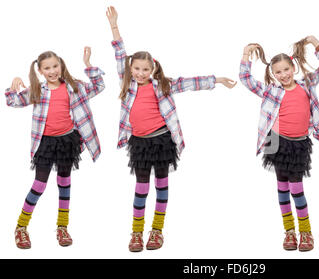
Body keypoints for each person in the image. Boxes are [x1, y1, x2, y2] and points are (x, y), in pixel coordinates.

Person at [106, 6, 236, 252]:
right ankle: (136, 232)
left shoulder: (162, 85)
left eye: (146, 69)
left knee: (162, 184)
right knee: (141, 185)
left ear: (153, 69)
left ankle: (156, 231)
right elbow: (119, 52)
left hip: (162, 140)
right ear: (130, 69)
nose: (141, 73)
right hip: (140, 142)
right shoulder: (127, 82)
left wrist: (216, 80)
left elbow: (189, 83)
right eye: (137, 69)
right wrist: (114, 26)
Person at [239, 36, 319, 251]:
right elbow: (245, 78)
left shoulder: (307, 84)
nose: (283, 75)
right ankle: (289, 231)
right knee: (282, 186)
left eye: (286, 69)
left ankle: (306, 232)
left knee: (296, 187)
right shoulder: (271, 90)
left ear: (294, 67)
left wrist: (315, 42)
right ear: (273, 75)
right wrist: (246, 54)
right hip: (275, 141)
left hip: (298, 143)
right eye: (278, 72)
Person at [6, 47, 105, 249]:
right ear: (40, 71)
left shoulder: (73, 86)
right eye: (47, 68)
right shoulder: (37, 90)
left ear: (61, 65)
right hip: (46, 143)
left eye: (55, 66)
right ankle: (21, 227)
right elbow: (12, 101)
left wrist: (88, 63)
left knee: (64, 182)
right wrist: (13, 85)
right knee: (39, 184)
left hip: (67, 141)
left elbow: (99, 85)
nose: (52, 71)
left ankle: (62, 227)